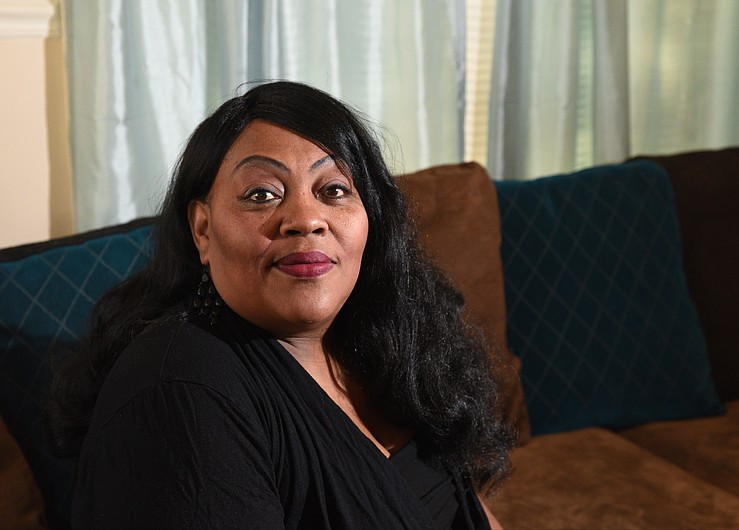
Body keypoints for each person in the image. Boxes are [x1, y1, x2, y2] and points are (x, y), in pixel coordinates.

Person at [49, 81, 512, 529]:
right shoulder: (182, 392)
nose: (307, 219)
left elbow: (465, 506)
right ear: (203, 230)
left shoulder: (384, 341)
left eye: (333, 190)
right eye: (262, 195)